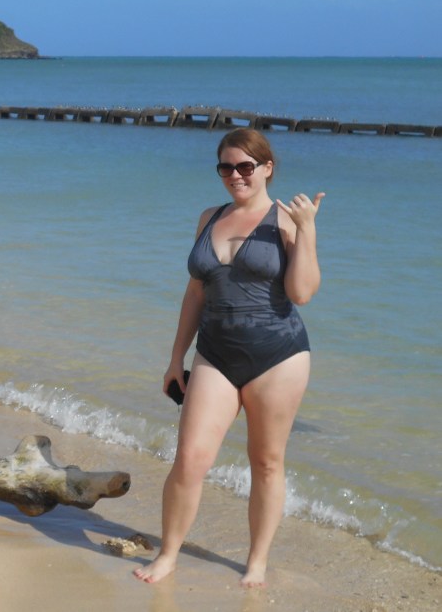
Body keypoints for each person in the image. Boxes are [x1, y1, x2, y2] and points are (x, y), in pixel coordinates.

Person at [133, 128, 324, 588]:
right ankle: (168, 554)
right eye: (226, 167)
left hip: (277, 356)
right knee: (190, 460)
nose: (236, 176)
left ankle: (257, 561)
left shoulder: (287, 219)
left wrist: (309, 230)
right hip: (213, 355)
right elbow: (195, 292)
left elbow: (301, 292)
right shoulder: (209, 217)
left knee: (266, 462)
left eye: (245, 167)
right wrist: (175, 358)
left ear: (266, 168)